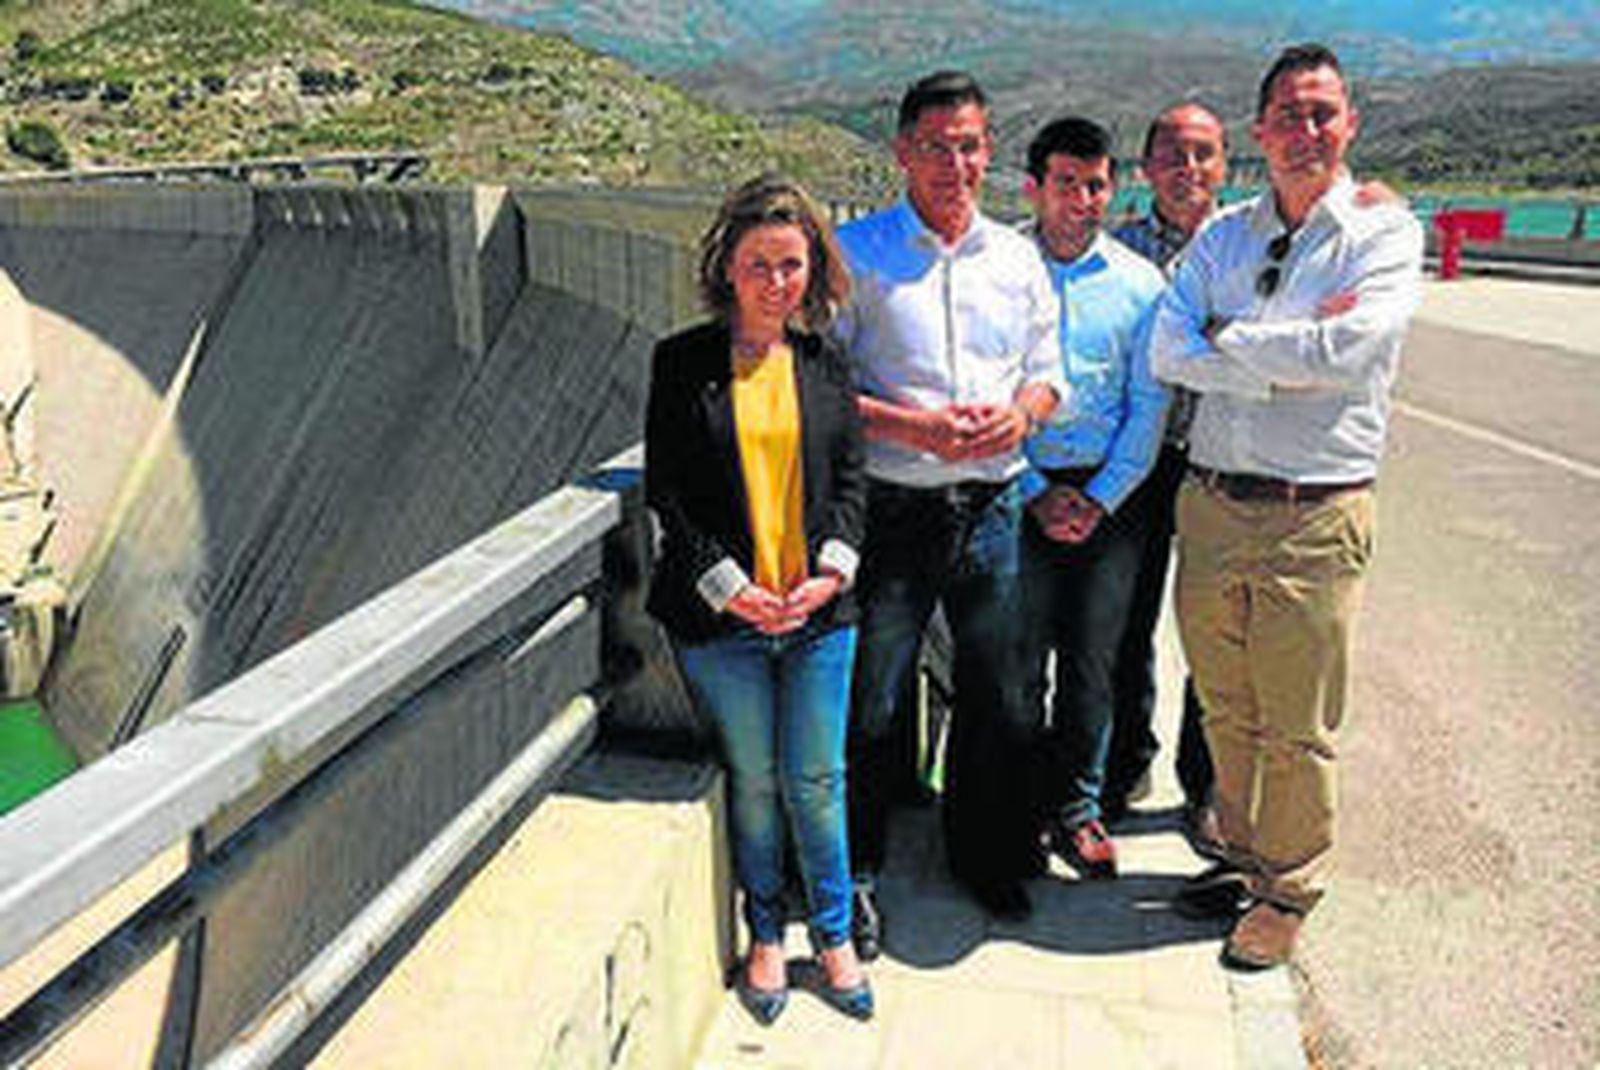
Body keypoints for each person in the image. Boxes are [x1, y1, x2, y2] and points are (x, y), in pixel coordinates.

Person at [1148, 43, 1423, 969]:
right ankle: (1241, 854)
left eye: (1324, 113)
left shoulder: (1383, 235)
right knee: (1227, 703)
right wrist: (1278, 354)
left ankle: (1289, 887)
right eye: (1289, 114)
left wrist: (1231, 341)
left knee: (1297, 718)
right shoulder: (1222, 236)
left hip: (1316, 514)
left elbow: (1346, 353)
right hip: (1215, 505)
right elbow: (1166, 349)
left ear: (1350, 125)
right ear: (1259, 129)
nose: (1306, 130)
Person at [837, 70, 1064, 941]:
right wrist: (914, 429)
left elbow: (1049, 375)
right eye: (935, 145)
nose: (954, 162)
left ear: (989, 151)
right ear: (902, 153)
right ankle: (855, 873)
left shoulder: (1016, 260)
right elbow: (822, 389)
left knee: (998, 695)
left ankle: (986, 856)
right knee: (875, 700)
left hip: (996, 508)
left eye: (968, 144)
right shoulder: (856, 255)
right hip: (896, 511)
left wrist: (1021, 414)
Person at [645, 174, 873, 1023]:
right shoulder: (682, 363)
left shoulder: (827, 363)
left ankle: (836, 932)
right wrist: (733, 590)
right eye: (759, 264)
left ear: (812, 272)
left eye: (791, 265)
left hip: (818, 618)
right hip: (724, 622)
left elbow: (851, 481)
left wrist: (832, 570)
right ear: (727, 269)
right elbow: (668, 493)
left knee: (817, 777)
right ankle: (767, 928)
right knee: (755, 777)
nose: (777, 281)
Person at [1018, 116, 1168, 880]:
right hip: (1018, 491)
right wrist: (1036, 491)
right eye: (1067, 183)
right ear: (1034, 188)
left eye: (1097, 184)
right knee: (1016, 664)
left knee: (1093, 661)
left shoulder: (1142, 285)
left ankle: (1078, 807)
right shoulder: (1003, 272)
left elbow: (1150, 405)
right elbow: (983, 388)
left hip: (1114, 498)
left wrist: (1101, 498)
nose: (1083, 199)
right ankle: (1014, 806)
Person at [1106, 102, 1231, 851]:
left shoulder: (1248, 247)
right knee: (1124, 622)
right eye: (1174, 155)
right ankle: (1126, 760)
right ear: (1147, 168)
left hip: (1222, 461)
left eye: (1204, 155)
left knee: (1215, 630)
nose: (1189, 169)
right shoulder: (1115, 252)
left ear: (1225, 165)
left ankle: (1206, 783)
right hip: (1137, 464)